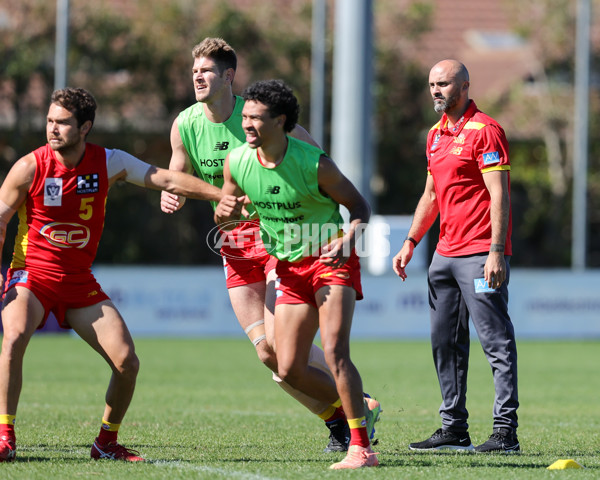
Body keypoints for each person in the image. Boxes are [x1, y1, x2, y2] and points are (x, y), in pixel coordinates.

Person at [160, 37, 380, 452]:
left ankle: (352, 424)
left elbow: (311, 166)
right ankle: (345, 414)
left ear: (228, 76)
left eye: (206, 71)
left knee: (303, 352)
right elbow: (178, 172)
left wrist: (329, 221)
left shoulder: (264, 114)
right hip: (235, 247)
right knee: (268, 355)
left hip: (281, 240)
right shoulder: (186, 123)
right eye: (194, 72)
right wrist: (174, 193)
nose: (197, 77)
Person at [0, 87, 224, 463]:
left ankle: (106, 442)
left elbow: (165, 179)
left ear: (85, 126)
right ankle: (5, 436)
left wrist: (222, 195)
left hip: (79, 283)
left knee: (127, 362)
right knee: (14, 337)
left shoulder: (108, 162)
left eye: (63, 123)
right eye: (50, 121)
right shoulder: (29, 166)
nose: (52, 129)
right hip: (31, 276)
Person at [215, 79, 380, 470]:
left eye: (256, 118)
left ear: (281, 121)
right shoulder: (236, 161)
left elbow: (359, 207)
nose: (247, 124)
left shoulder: (314, 163)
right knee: (287, 368)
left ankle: (361, 448)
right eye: (245, 117)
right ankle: (360, 406)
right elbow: (230, 204)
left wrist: (349, 238)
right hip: (288, 269)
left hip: (329, 260)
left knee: (337, 352)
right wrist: (227, 212)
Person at [392, 59, 519, 453]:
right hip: (443, 257)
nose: (435, 90)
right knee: (444, 342)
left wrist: (496, 251)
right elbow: (431, 195)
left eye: (443, 83)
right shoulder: (434, 135)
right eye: (431, 83)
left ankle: (505, 432)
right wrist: (411, 241)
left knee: (495, 342)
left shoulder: (486, 131)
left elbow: (499, 194)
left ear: (464, 85)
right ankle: (453, 428)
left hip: (480, 254)